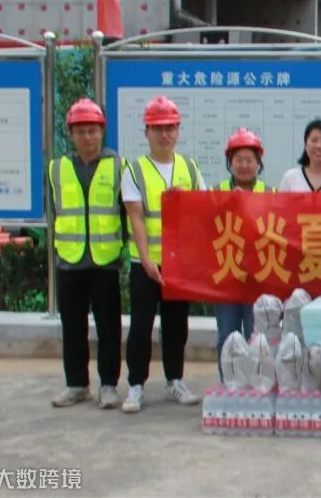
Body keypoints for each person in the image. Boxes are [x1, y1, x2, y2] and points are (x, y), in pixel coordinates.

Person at [121, 96, 207, 413]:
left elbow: (203, 209)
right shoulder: (135, 170)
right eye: (157, 128)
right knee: (141, 326)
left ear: (178, 131)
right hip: (145, 263)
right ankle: (136, 385)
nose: (164, 134)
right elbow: (136, 218)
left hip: (178, 264)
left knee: (176, 325)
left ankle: (175, 380)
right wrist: (146, 260)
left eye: (170, 128)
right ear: (147, 132)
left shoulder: (189, 167)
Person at [47, 99, 126, 409]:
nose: (87, 137)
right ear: (71, 134)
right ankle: (77, 384)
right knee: (73, 327)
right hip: (70, 260)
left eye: (92, 131)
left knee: (109, 328)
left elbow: (126, 211)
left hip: (105, 260)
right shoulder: (57, 168)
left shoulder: (117, 166)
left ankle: (108, 385)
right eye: (81, 131)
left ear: (101, 131)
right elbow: (55, 212)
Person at [214, 128, 272, 381]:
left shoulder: (270, 193)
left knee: (256, 335)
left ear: (258, 163)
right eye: (239, 160)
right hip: (226, 277)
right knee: (227, 334)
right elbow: (204, 226)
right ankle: (228, 383)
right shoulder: (216, 192)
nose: (245, 165)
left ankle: (255, 382)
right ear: (230, 162)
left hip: (258, 278)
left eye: (250, 160)